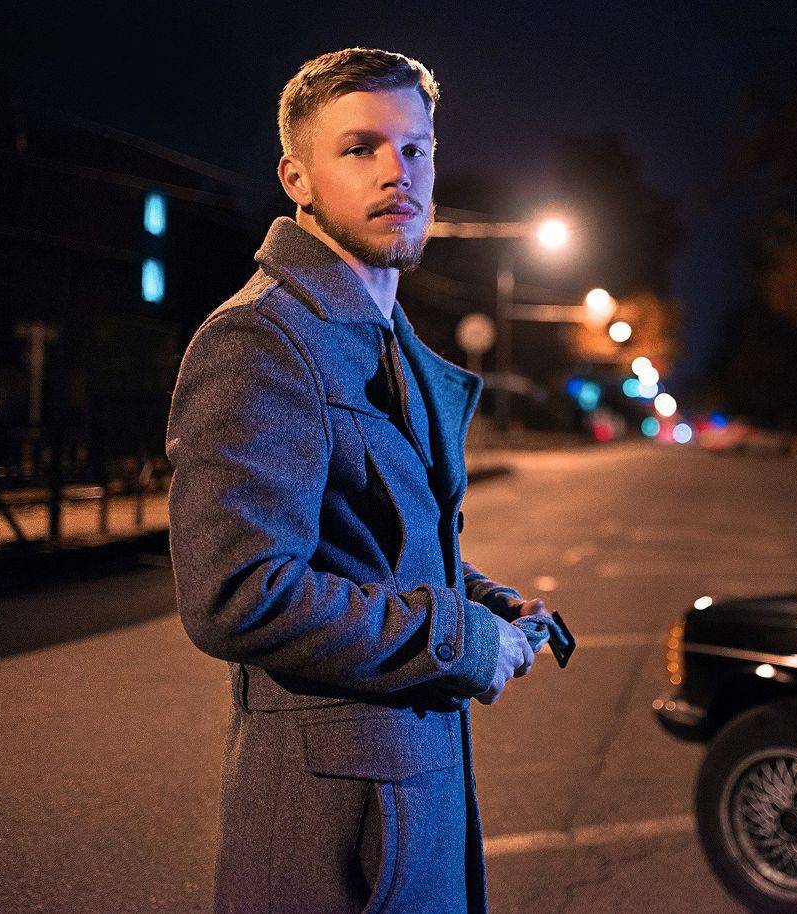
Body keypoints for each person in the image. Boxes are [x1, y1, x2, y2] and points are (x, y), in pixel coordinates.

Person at [165, 48, 552, 913]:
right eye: (360, 148)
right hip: (336, 840)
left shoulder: (382, 339)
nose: (396, 172)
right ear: (296, 179)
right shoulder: (260, 339)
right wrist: (458, 638)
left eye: (415, 149)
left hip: (409, 809)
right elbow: (237, 593)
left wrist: (484, 603)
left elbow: (373, 546)